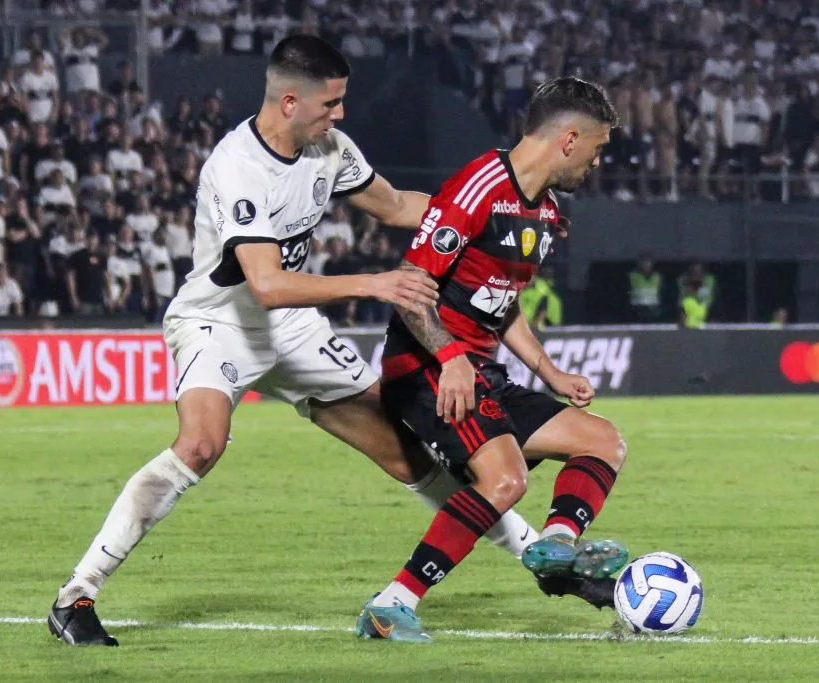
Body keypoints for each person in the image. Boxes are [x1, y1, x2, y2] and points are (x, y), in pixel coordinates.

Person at [48, 35, 542, 647]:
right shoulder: (238, 168)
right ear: (289, 102)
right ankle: (77, 595)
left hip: (295, 329)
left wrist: (482, 212)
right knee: (201, 445)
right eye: (330, 104)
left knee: (408, 453)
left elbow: (395, 206)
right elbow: (268, 284)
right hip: (221, 321)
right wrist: (379, 283)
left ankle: (538, 553)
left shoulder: (329, 147)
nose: (340, 115)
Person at [357, 78, 629, 643]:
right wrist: (452, 357)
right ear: (570, 139)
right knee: (504, 480)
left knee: (603, 441)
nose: (598, 162)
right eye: (598, 148)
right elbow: (412, 286)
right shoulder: (478, 186)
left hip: (478, 371)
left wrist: (550, 373)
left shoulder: (546, 213)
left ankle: (556, 544)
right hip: (425, 367)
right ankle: (391, 605)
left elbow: (501, 306)